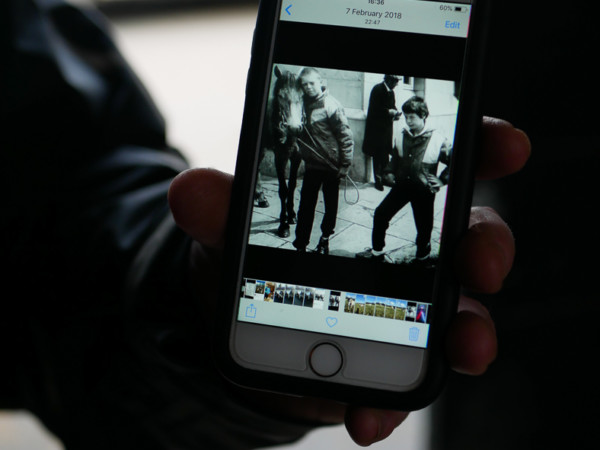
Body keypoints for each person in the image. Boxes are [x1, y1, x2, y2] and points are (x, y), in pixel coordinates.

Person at [1, 0, 531, 448]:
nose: (311, 87)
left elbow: (70, 216)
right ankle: (307, 240)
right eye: (308, 82)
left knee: (390, 225)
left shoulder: (356, 114)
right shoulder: (306, 104)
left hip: (336, 179)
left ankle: (334, 242)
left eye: (314, 82)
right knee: (336, 215)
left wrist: (185, 307)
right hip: (312, 171)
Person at [357, 96, 452, 262]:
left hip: (423, 191)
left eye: (412, 117)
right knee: (380, 214)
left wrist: (442, 180)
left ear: (423, 115)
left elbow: (455, 162)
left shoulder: (438, 139)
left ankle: (422, 258)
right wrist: (389, 172)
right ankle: (377, 253)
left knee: (424, 228)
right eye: (406, 117)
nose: (408, 121)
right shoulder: (401, 135)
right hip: (402, 186)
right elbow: (395, 159)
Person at [292, 67, 354, 255]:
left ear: (321, 81)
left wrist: (345, 164)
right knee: (305, 206)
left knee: (330, 205)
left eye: (312, 83)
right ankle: (301, 244)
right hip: (312, 165)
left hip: (331, 166)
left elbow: (345, 136)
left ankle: (325, 238)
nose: (308, 87)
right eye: (304, 84)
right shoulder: (300, 104)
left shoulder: (331, 105)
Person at [363, 74, 402, 191]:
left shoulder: (391, 92)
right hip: (376, 130)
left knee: (385, 153)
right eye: (395, 81)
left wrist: (396, 113)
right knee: (377, 155)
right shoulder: (377, 89)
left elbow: (392, 106)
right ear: (389, 80)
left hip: (387, 129)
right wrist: (388, 112)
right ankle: (378, 180)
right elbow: (374, 109)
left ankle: (385, 178)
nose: (397, 84)